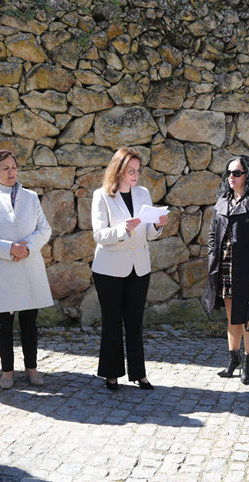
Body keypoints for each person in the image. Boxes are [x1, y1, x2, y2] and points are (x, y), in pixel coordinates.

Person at [0, 150, 53, 389]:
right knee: (3, 325)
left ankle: (32, 368)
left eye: (14, 167)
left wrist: (26, 249)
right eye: (5, 168)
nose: (11, 172)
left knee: (30, 323)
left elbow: (44, 229)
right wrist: (10, 249)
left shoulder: (30, 197)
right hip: (3, 270)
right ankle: (7, 371)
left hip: (28, 266)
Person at [91, 147, 168, 390]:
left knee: (135, 322)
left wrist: (156, 225)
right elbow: (99, 235)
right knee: (112, 321)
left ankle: (139, 374)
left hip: (139, 267)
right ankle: (111, 374)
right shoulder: (102, 195)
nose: (135, 175)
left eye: (137, 170)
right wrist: (123, 229)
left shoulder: (143, 193)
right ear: (119, 170)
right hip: (109, 269)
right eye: (130, 171)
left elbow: (148, 233)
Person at [201, 155, 249, 384]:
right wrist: (212, 256)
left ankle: (248, 363)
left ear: (247, 175)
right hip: (225, 266)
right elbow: (213, 232)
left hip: (248, 268)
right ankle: (233, 360)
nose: (231, 177)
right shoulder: (223, 200)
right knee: (232, 316)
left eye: (237, 173)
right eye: (229, 172)